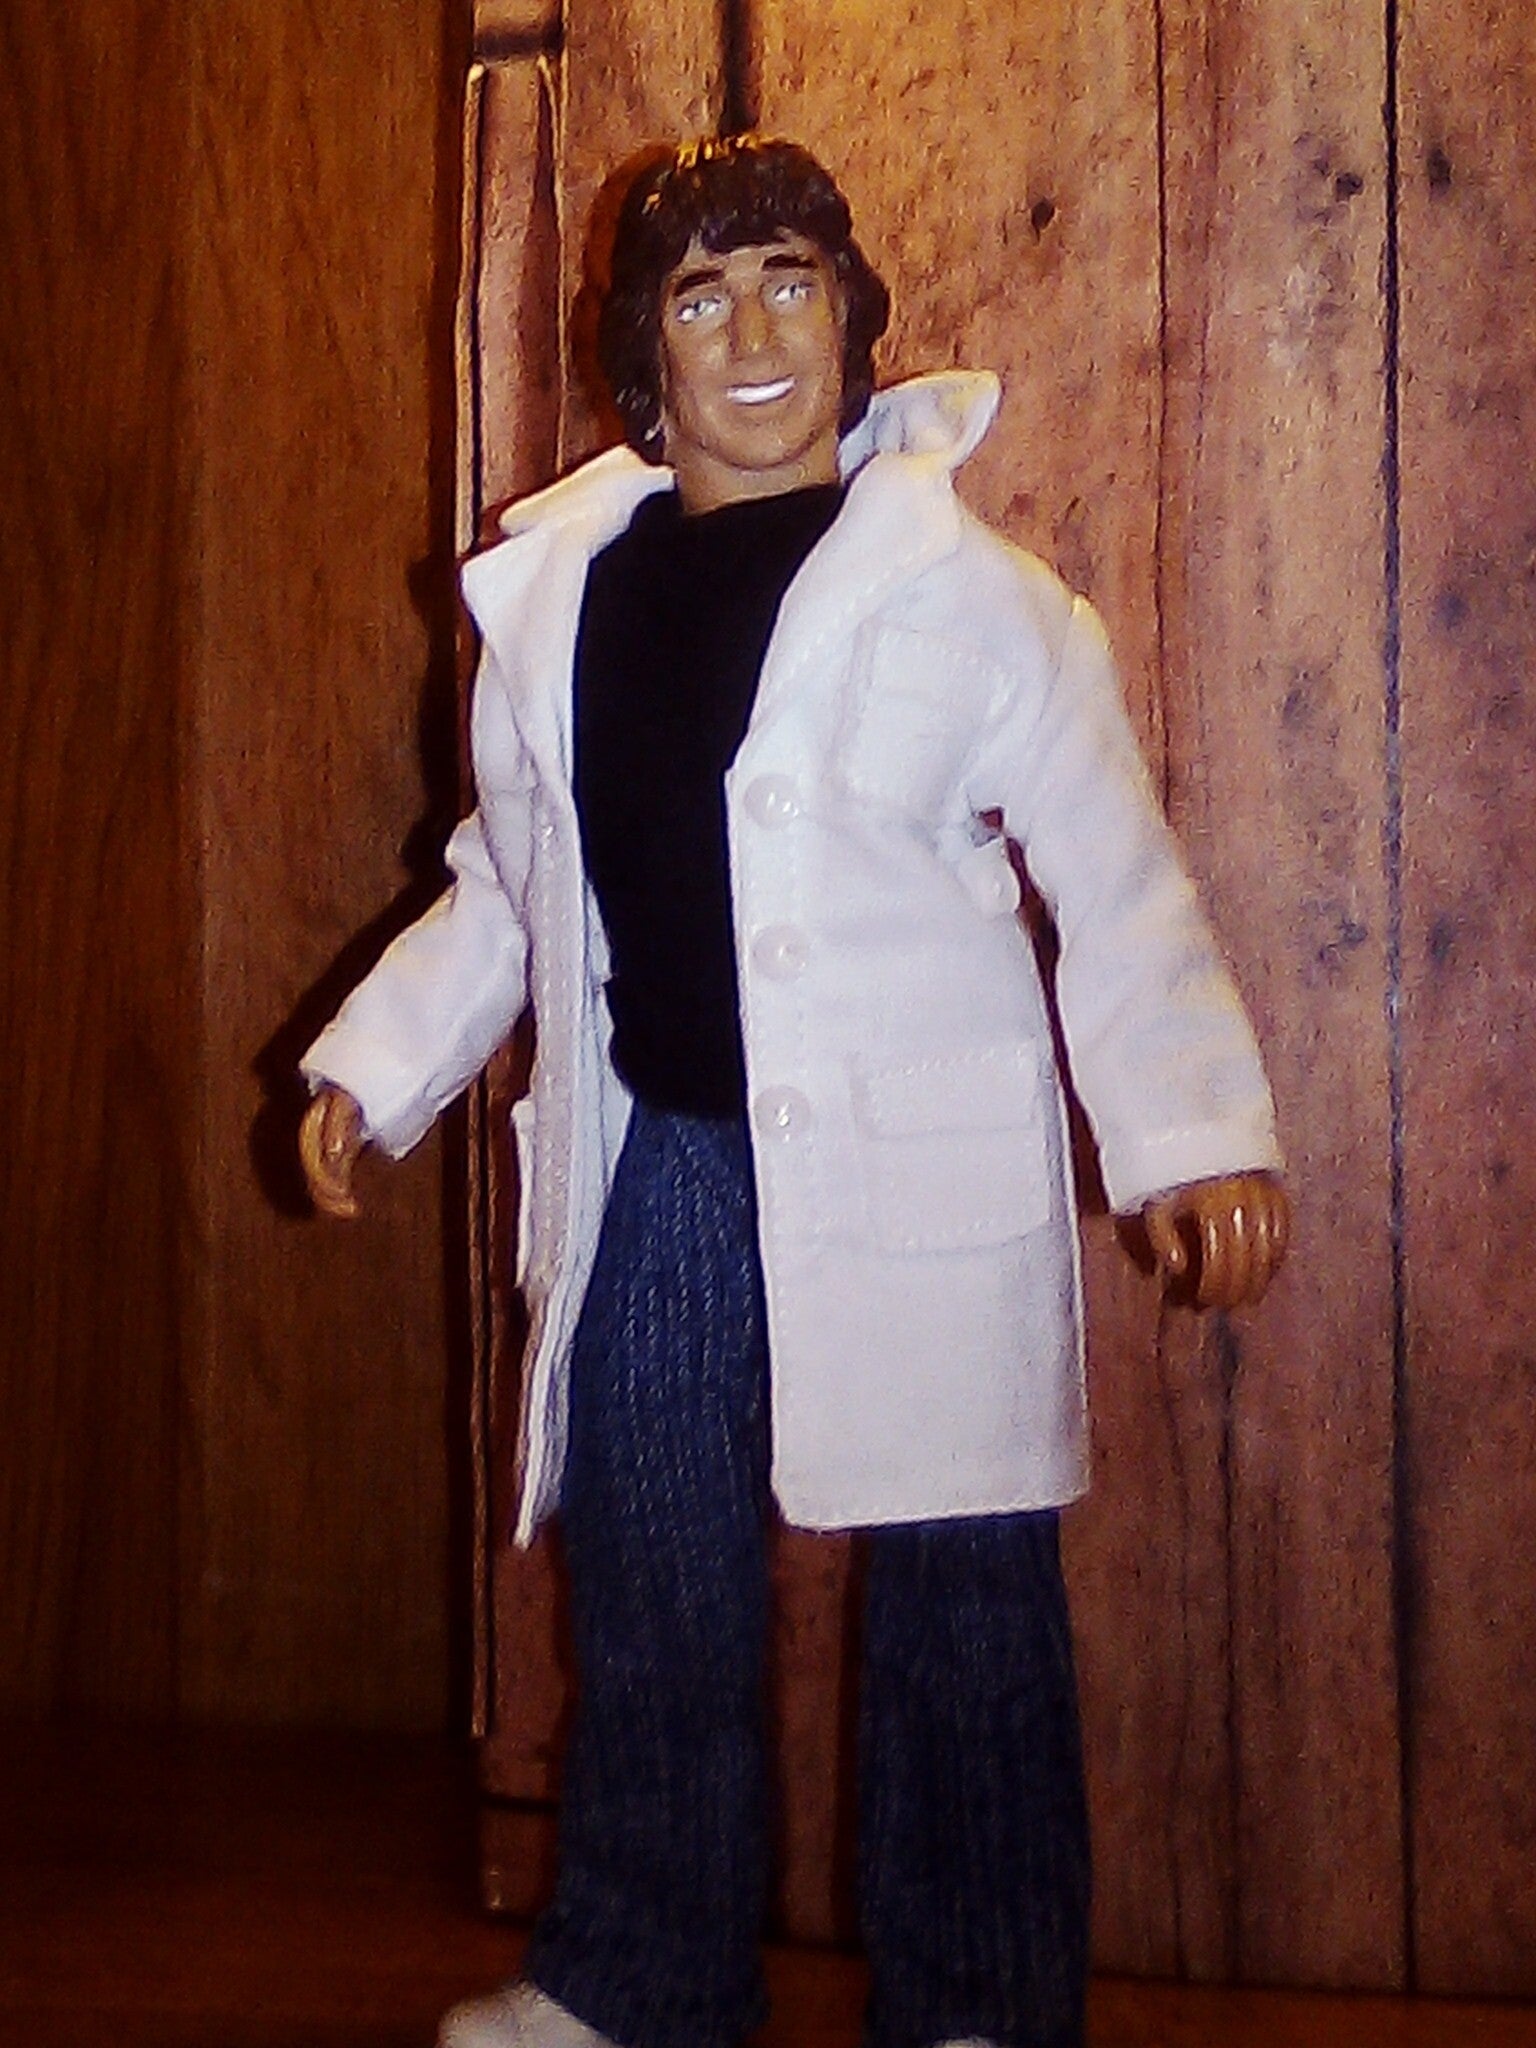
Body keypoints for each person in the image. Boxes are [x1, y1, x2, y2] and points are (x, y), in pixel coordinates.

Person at [299, 135, 1289, 2048]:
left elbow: (1117, 883)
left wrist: (1193, 1134)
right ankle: (643, 1979)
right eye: (701, 298)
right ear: (640, 355)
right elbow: (509, 888)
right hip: (667, 1154)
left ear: (850, 320)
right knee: (655, 1572)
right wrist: (375, 1065)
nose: (754, 335)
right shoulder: (562, 605)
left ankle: (979, 2002)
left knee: (964, 1592)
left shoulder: (980, 600)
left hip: (922, 1161)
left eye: (790, 285)